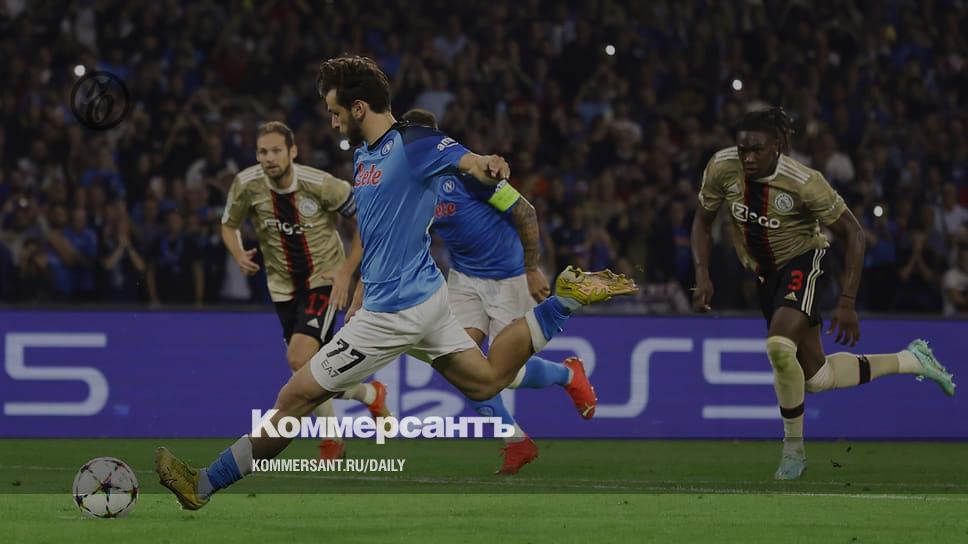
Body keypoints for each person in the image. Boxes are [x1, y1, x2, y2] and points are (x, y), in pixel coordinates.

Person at [155, 55, 636, 510]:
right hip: (424, 299)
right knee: (488, 381)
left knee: (294, 398)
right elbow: (375, 230)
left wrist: (489, 164)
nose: (332, 122)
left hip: (393, 314)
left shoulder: (414, 142)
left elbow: (471, 162)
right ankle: (565, 302)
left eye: (335, 111)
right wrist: (360, 283)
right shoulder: (366, 156)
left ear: (358, 107)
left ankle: (202, 484)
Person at [690, 107, 955, 481]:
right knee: (816, 378)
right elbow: (702, 221)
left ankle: (793, 451)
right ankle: (911, 360)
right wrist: (702, 274)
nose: (748, 157)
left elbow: (854, 233)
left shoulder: (804, 182)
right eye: (743, 149)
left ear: (777, 146)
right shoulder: (721, 167)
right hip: (765, 276)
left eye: (757, 150)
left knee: (778, 347)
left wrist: (847, 302)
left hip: (803, 261)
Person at [400, 108, 597, 475]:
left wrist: (531, 268)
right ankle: (514, 439)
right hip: (463, 279)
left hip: (509, 277)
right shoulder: (415, 187)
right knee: (459, 363)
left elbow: (525, 212)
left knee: (504, 372)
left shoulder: (469, 175)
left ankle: (568, 375)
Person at [220, 121, 390, 460]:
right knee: (308, 370)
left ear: (292, 152)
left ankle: (332, 441)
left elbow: (366, 221)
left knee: (300, 359)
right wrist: (238, 253)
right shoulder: (247, 184)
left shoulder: (322, 184)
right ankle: (368, 397)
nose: (269, 158)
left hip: (324, 280)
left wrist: (346, 272)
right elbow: (229, 225)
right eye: (263, 152)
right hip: (282, 288)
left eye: (276, 151)